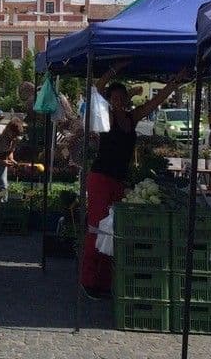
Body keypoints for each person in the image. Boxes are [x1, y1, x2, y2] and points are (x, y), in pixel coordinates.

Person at [80, 63, 190, 298]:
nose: (119, 101)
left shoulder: (132, 117)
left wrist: (174, 82)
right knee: (97, 228)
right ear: (110, 99)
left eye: (122, 97)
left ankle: (105, 281)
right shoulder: (105, 116)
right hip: (100, 177)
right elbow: (95, 90)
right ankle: (89, 280)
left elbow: (156, 101)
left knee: (114, 229)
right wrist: (113, 70)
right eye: (115, 97)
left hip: (119, 179)